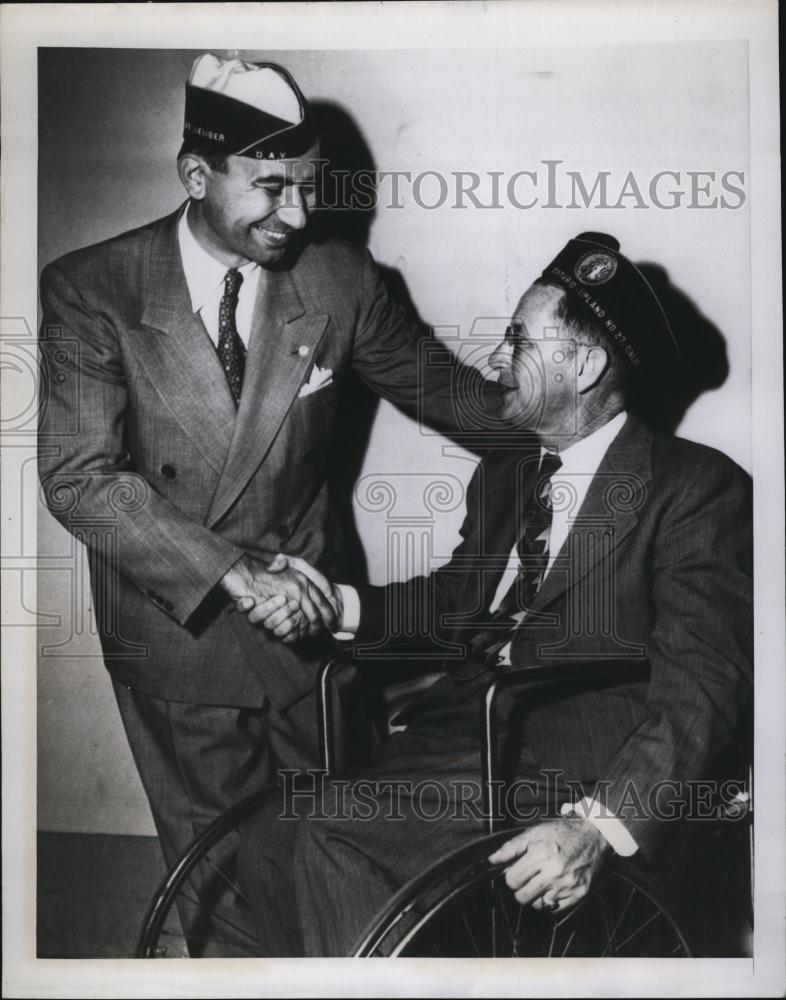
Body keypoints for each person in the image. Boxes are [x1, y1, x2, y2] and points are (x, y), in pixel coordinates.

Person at [37, 53, 498, 954]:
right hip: (182, 636)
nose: (298, 213)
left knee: (339, 872)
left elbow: (458, 401)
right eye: (272, 186)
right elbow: (82, 478)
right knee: (220, 894)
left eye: (309, 187)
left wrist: (584, 414)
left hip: (311, 638)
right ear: (196, 175)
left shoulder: (341, 281)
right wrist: (240, 577)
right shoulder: (93, 289)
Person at [239, 231, 753, 956]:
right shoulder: (509, 472)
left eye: (519, 341)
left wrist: (600, 823)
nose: (496, 360)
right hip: (464, 734)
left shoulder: (695, 487)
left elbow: (703, 685)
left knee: (335, 838)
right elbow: (456, 603)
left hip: (578, 760)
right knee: (267, 837)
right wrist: (339, 604)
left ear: (585, 366)